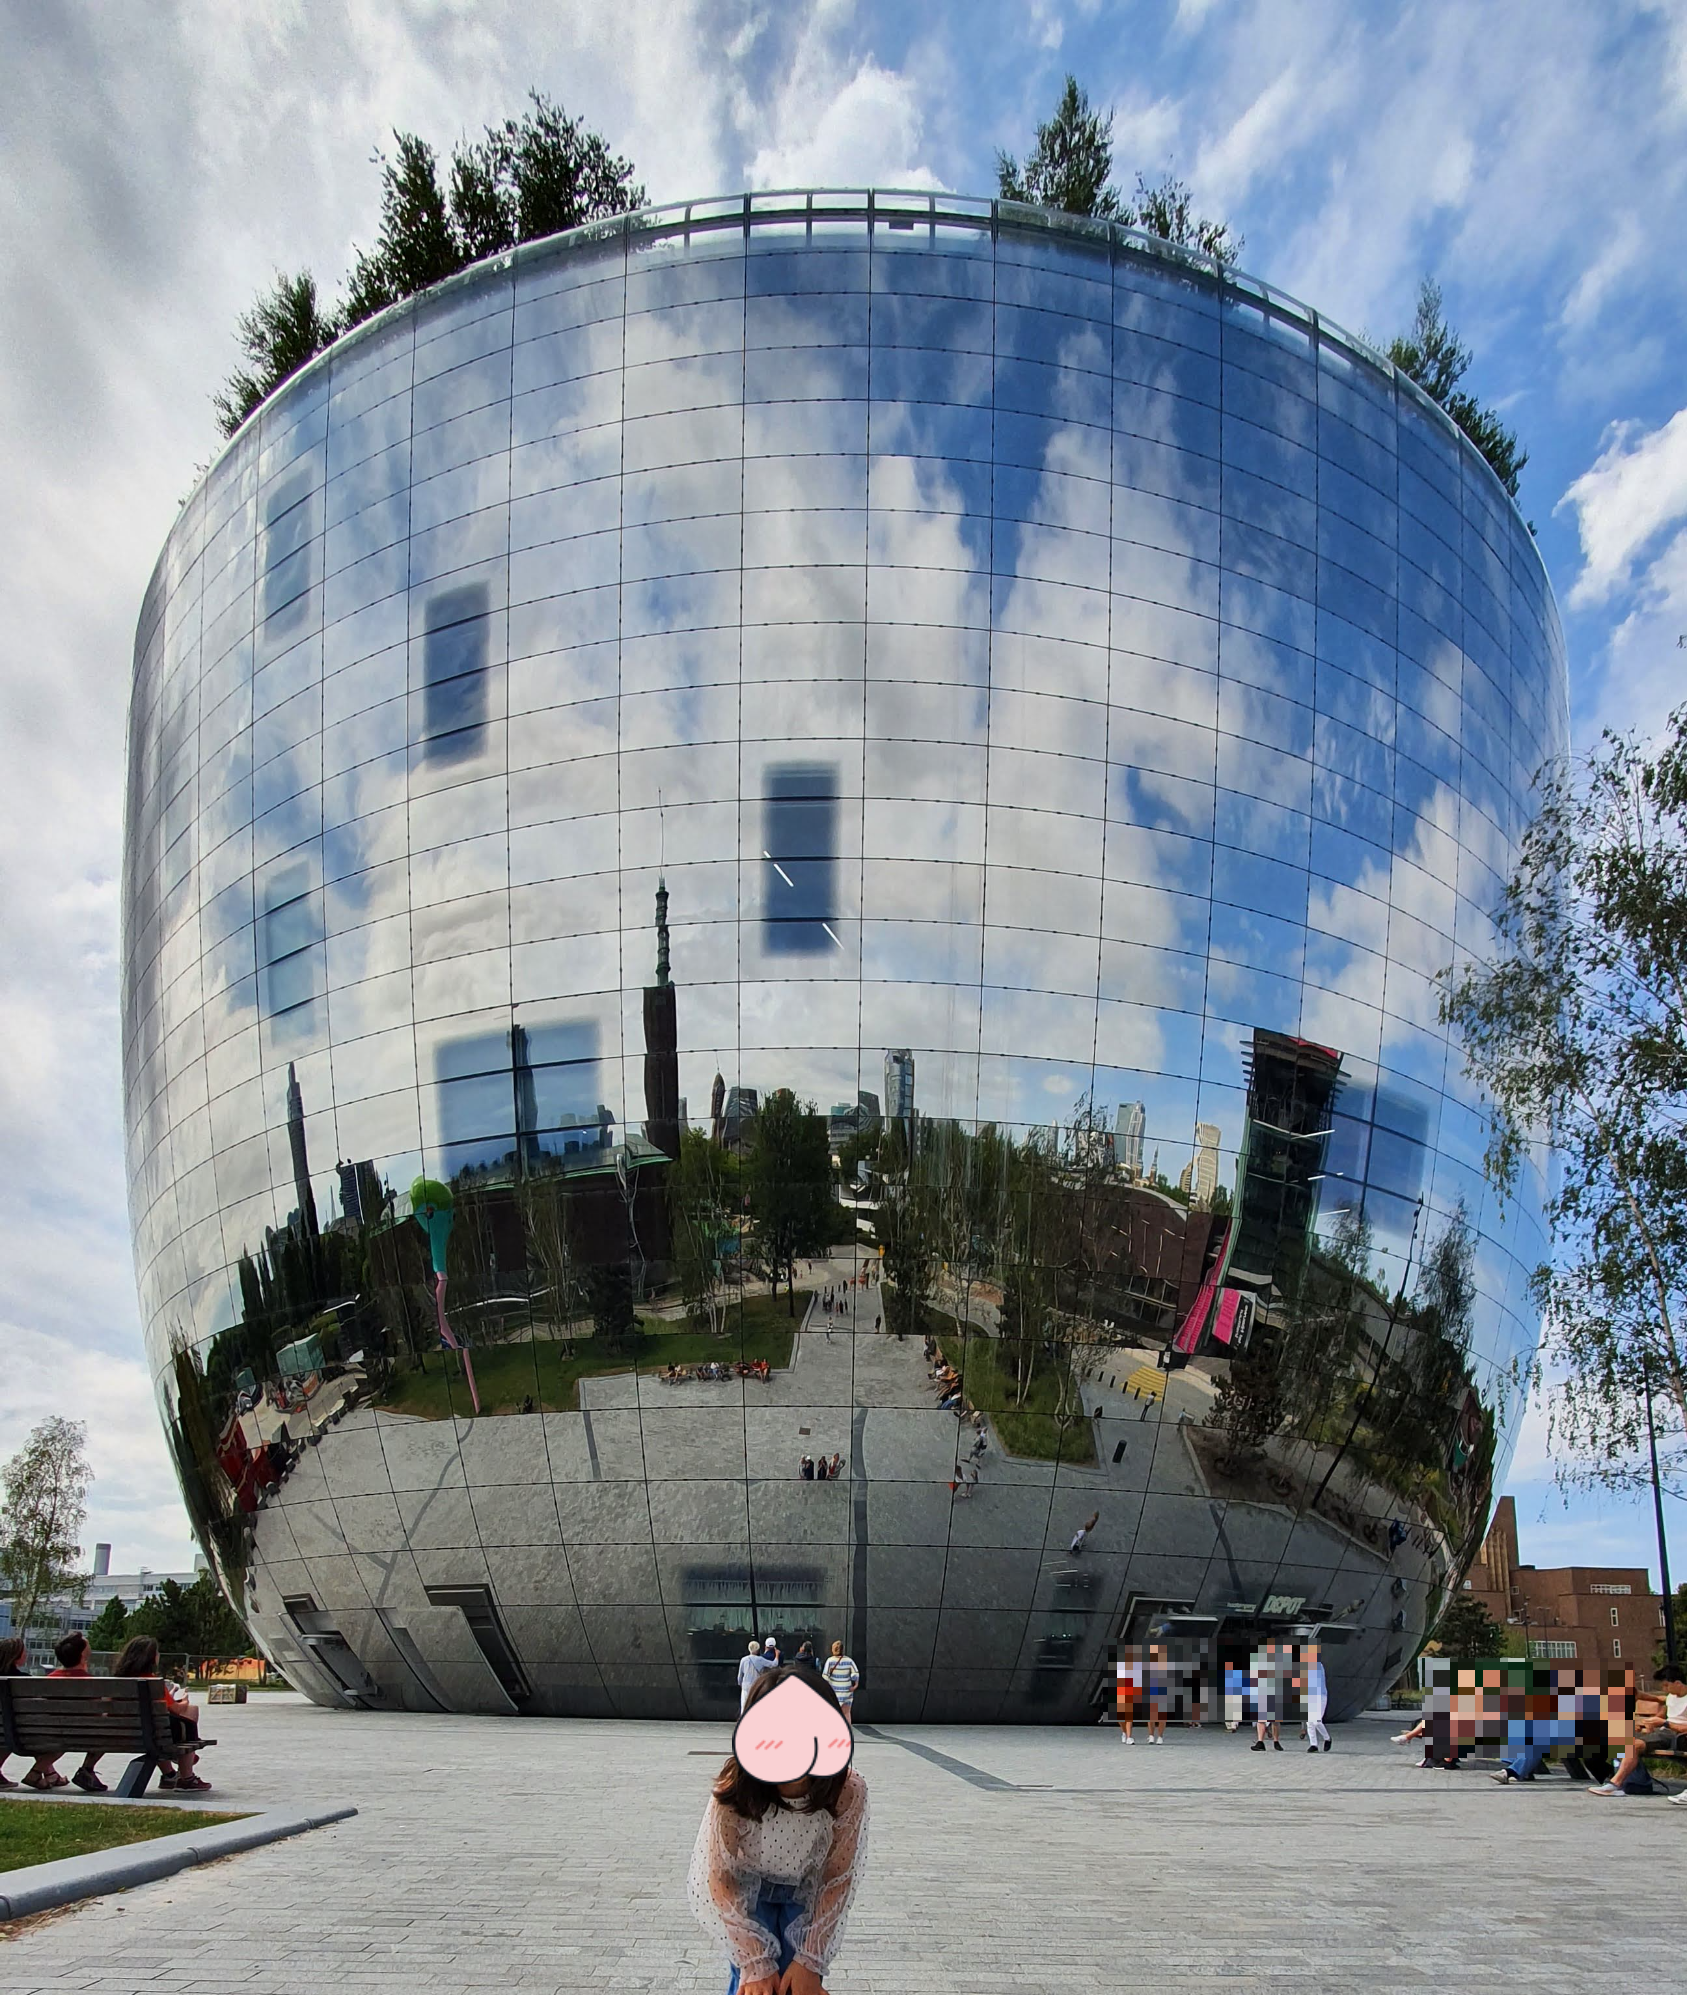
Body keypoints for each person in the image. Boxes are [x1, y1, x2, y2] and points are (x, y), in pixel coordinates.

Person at [689, 1663, 870, 1995]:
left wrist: (810, 1960)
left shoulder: (846, 1789)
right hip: (747, 1891)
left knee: (797, 1984)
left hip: (806, 1893)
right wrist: (754, 1962)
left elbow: (838, 1877)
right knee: (752, 1984)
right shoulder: (737, 1787)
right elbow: (719, 1877)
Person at [114, 1635, 210, 1791]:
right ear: (151, 1658)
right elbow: (176, 1709)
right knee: (187, 1717)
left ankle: (169, 1774)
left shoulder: (117, 1681)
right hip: (154, 1733)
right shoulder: (152, 1682)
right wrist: (183, 1699)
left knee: (156, 1727)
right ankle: (186, 1777)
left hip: (124, 1732)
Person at [1588, 1664, 1687, 1796]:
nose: (1664, 1689)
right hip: (1662, 1732)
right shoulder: (1671, 1697)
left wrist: (1665, 1723)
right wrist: (1648, 1723)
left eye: (1666, 1686)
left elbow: (1674, 1724)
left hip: (1677, 1735)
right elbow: (1662, 1717)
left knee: (1633, 1745)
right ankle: (1631, 1784)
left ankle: (1615, 1784)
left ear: (1678, 1683)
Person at [0, 1636, 70, 1791]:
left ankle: (51, 1774)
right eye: (24, 1651)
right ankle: (37, 1773)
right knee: (37, 1734)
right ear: (17, 1656)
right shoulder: (24, 1682)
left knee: (9, 1733)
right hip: (22, 1733)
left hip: (6, 1732)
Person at [47, 1630, 108, 1791]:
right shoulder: (89, 1682)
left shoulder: (48, 1680)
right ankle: (87, 1769)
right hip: (83, 1734)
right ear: (82, 1655)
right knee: (107, 1727)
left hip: (48, 1731)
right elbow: (97, 1713)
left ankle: (39, 1771)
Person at [1303, 1642, 1331, 1754]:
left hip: (1320, 1695)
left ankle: (1327, 1738)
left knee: (1316, 1721)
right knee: (1309, 1722)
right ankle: (1313, 1744)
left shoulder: (1317, 1666)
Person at [738, 1640, 775, 1714]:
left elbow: (740, 1675)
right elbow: (774, 1664)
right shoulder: (760, 1659)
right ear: (758, 1649)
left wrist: (740, 1683)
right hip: (756, 1685)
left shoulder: (744, 1660)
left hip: (745, 1685)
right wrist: (777, 1654)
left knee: (744, 1704)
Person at [822, 1642, 859, 1715]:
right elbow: (855, 1673)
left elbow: (825, 1676)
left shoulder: (830, 1660)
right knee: (846, 1714)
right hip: (846, 1691)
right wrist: (855, 1686)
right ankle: (847, 1726)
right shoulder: (849, 1660)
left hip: (834, 1691)